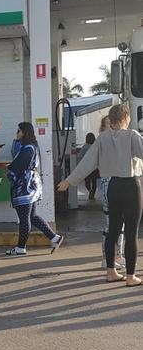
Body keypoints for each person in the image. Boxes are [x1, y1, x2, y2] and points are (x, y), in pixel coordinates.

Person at [59, 104, 143, 285]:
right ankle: (130, 276)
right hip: (131, 186)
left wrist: (69, 181)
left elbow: (87, 163)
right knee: (130, 232)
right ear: (126, 116)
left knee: (112, 230)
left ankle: (111, 272)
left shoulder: (102, 139)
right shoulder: (132, 136)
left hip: (112, 186)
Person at [5, 122, 64, 256]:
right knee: (32, 216)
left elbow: (17, 165)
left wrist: (8, 170)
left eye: (18, 131)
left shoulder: (27, 149)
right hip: (32, 185)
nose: (17, 134)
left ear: (24, 132)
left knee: (24, 217)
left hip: (24, 187)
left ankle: (21, 248)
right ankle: (54, 238)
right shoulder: (33, 146)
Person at [97, 117, 125, 269]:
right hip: (109, 183)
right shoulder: (104, 141)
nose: (115, 126)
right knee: (111, 224)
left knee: (119, 223)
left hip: (114, 183)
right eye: (111, 124)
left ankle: (118, 256)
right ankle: (107, 258)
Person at [78, 133, 99, 200]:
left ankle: (89, 190)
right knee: (94, 181)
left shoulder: (84, 147)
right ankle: (92, 193)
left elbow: (80, 157)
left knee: (87, 181)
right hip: (95, 167)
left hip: (86, 167)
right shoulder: (96, 146)